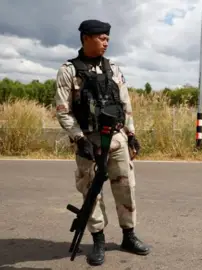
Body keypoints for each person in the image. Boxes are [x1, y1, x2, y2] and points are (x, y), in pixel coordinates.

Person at [54, 19, 150, 266]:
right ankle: (98, 240)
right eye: (101, 38)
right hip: (89, 138)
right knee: (91, 191)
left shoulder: (113, 69)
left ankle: (129, 235)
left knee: (125, 186)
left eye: (108, 38)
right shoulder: (69, 70)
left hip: (116, 137)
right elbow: (63, 110)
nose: (106, 42)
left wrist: (131, 134)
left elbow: (125, 104)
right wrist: (78, 138)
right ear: (86, 38)